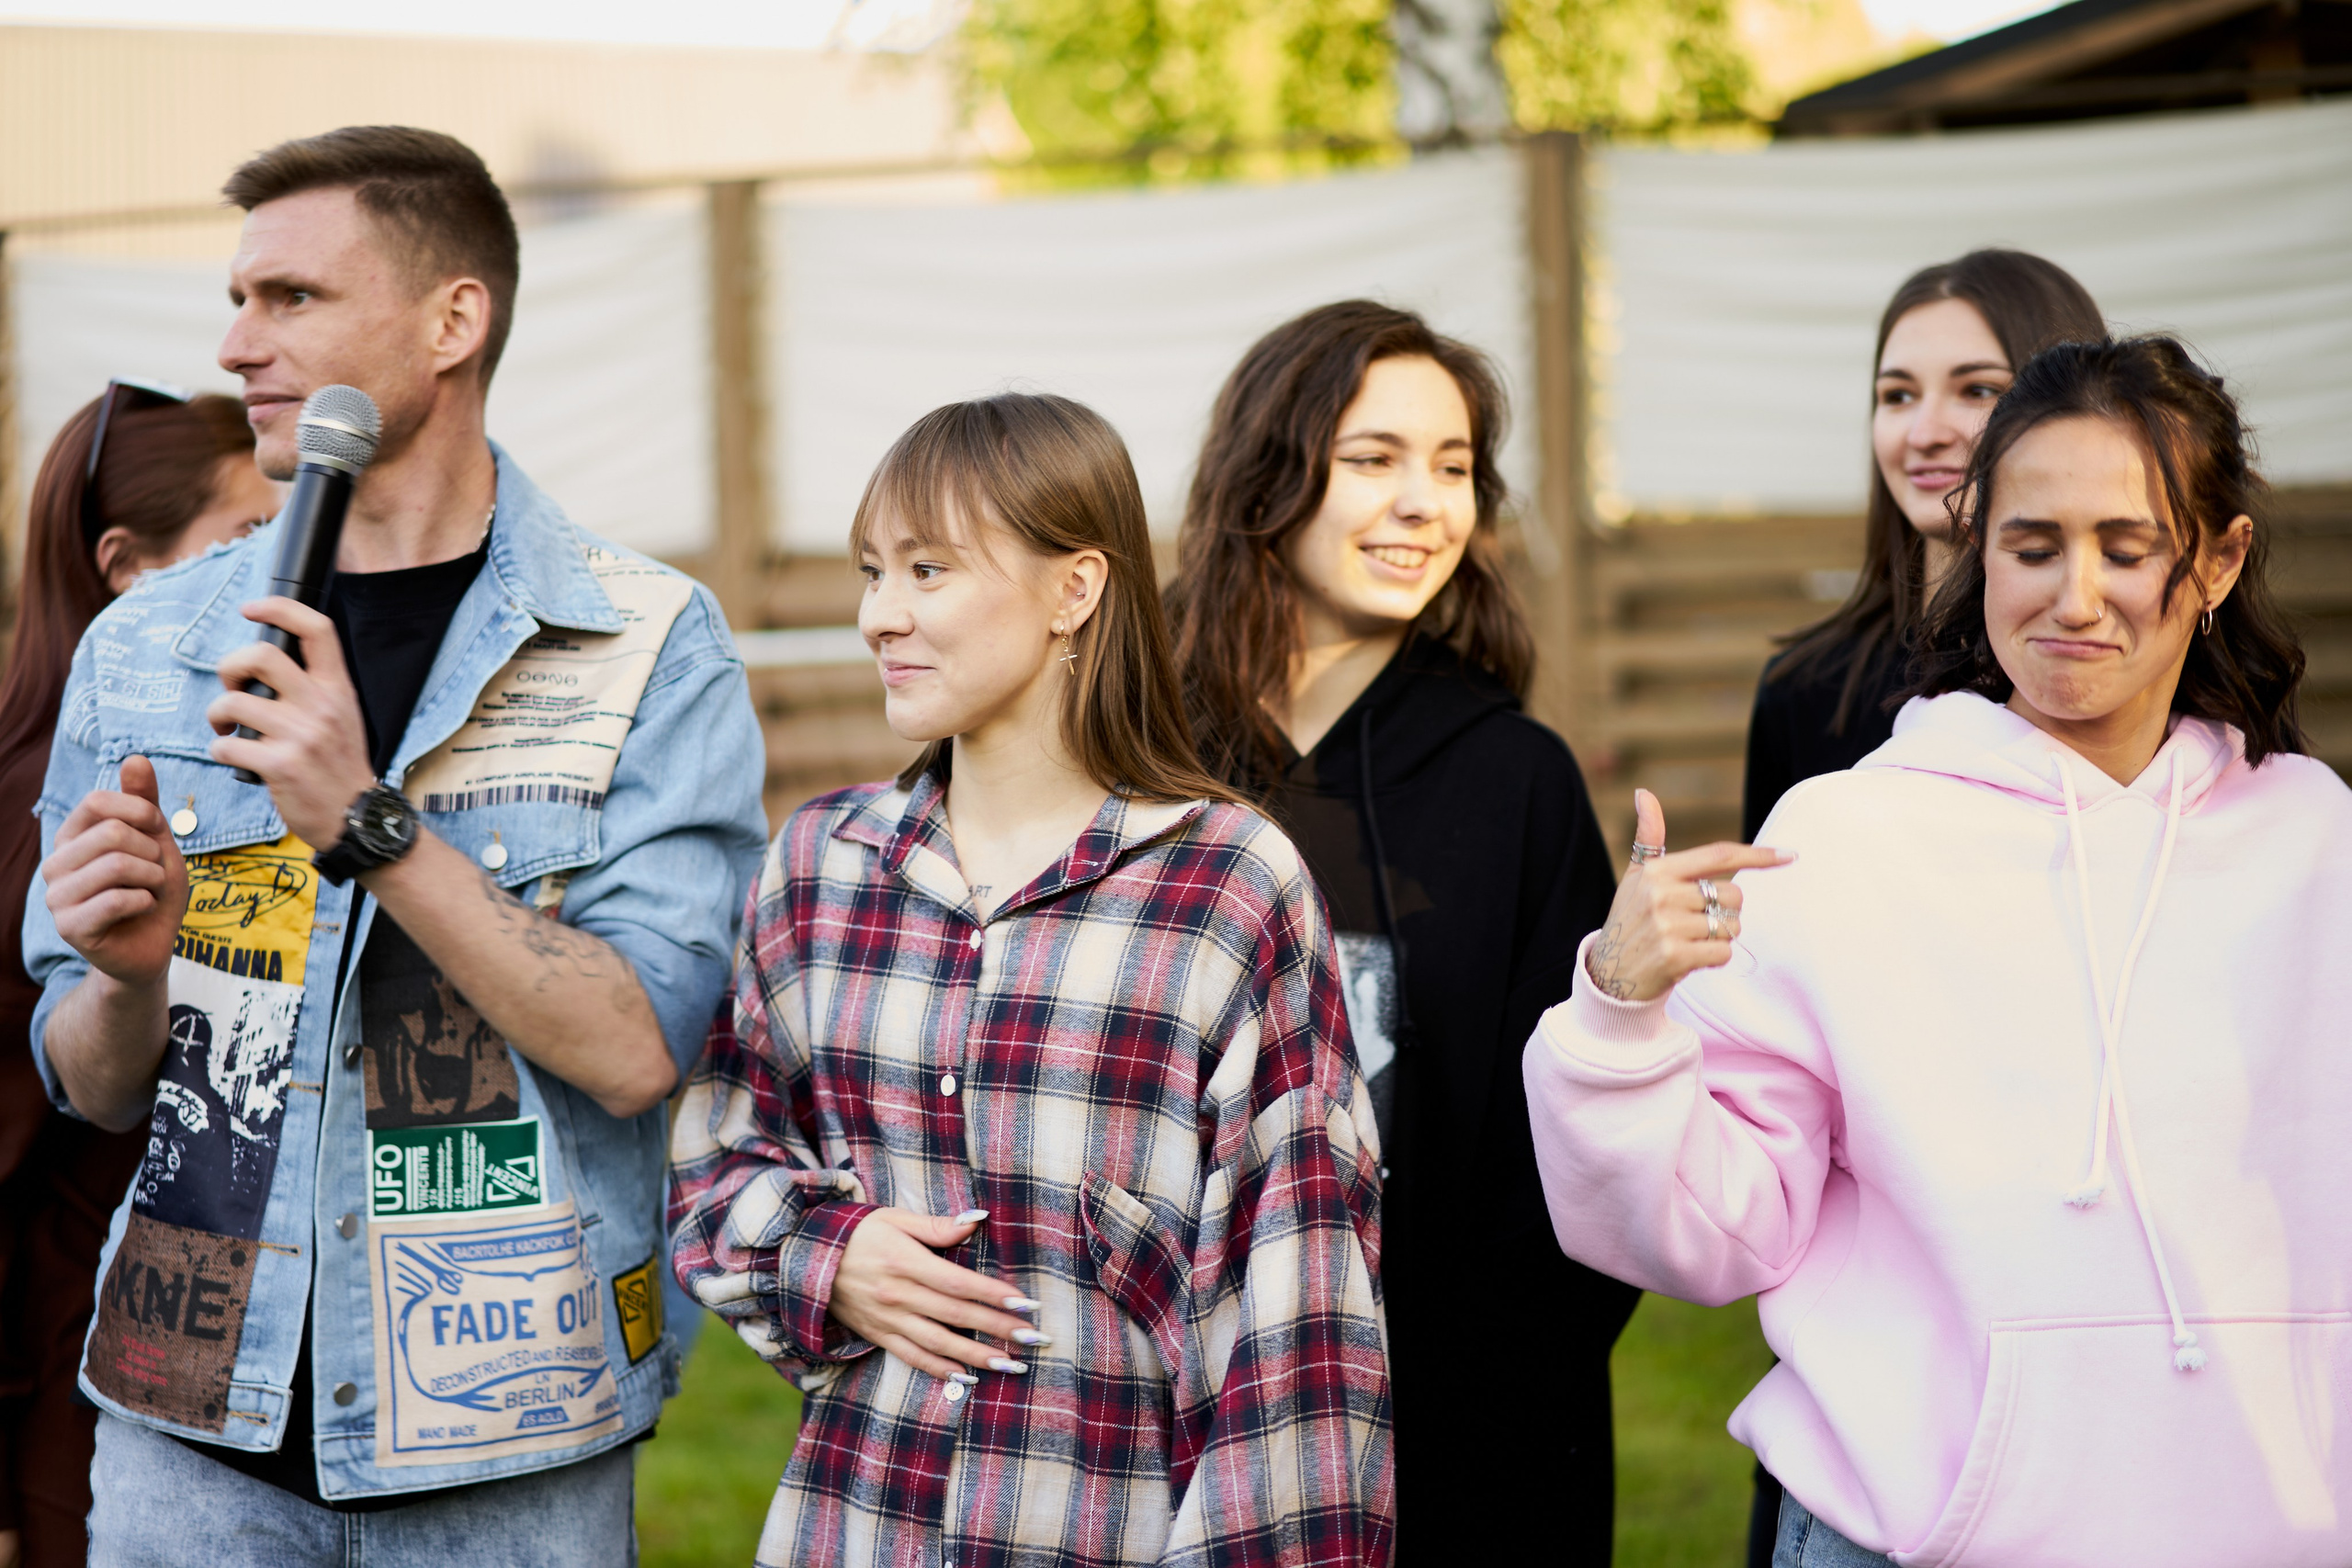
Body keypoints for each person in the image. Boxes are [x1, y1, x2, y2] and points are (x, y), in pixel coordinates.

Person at [25, 127, 766, 1563]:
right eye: (238, 300)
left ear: (453, 318)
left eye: (292, 298)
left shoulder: (644, 642)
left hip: (513, 1443)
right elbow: (93, 1084)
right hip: (190, 1435)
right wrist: (124, 978)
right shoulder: (152, 645)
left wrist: (369, 824)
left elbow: (638, 1043)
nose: (240, 344)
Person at [1524, 334, 2345, 1568]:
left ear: (2219, 559)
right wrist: (1620, 1010)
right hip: (1912, 1537)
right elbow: (1720, 1230)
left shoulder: (2318, 841)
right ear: (1976, 546)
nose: (2075, 596)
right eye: (2032, 545)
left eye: (2129, 548)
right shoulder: (1845, 836)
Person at [668, 392, 1392, 1568]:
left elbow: (1299, 1324)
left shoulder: (1228, 890)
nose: (878, 616)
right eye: (871, 571)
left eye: (928, 570)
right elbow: (713, 1161)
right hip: (856, 1531)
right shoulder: (818, 866)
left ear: (1076, 590)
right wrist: (827, 1254)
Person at [1163, 299, 1638, 1561]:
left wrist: (1481, 1379)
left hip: (1467, 1445)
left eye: (1455, 466)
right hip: (1178, 1417)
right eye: (1375, 458)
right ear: (1272, 472)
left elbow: (1581, 1146)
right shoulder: (1140, 762)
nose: (1426, 502)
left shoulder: (1517, 779)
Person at [0, 384, 276, 1568]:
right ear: (127, 568)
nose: (277, 575)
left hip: (225, 1361)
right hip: (65, 1380)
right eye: (238, 542)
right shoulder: (43, 822)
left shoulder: (250, 763)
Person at [1742, 251, 2106, 842]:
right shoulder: (1805, 692)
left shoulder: (2126, 665)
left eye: (1977, 389)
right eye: (1898, 395)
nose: (1925, 432)